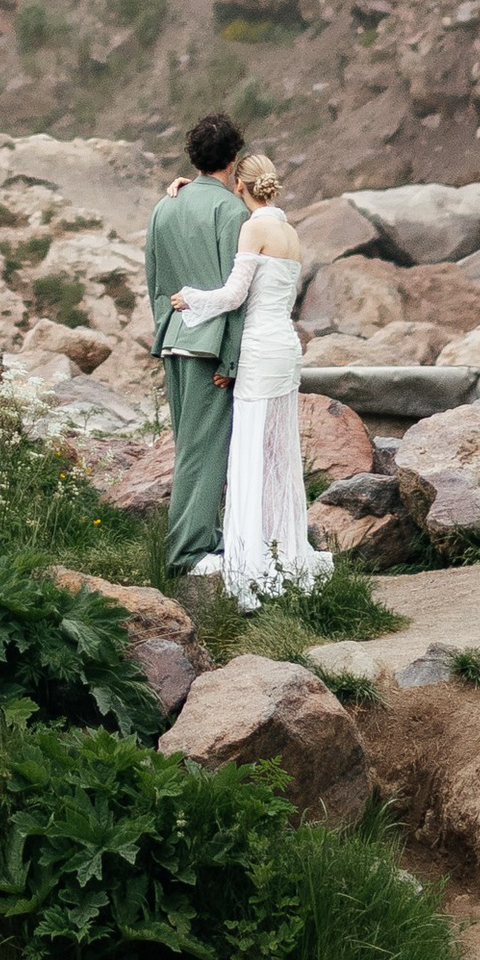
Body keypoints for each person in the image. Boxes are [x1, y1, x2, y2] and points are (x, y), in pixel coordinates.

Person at [169, 149, 334, 606]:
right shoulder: (289, 231)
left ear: (239, 187)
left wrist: (191, 300)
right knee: (280, 451)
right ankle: (285, 547)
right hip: (286, 347)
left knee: (250, 452)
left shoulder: (252, 227)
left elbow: (234, 294)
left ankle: (251, 561)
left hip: (260, 350)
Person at [145, 110, 249, 582]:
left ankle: (196, 540)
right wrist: (231, 356)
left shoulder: (164, 207)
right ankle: (189, 552)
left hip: (173, 339)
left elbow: (156, 281)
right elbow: (236, 293)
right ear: (234, 157)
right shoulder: (232, 211)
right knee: (204, 450)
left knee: (189, 445)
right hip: (212, 348)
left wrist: (165, 332)